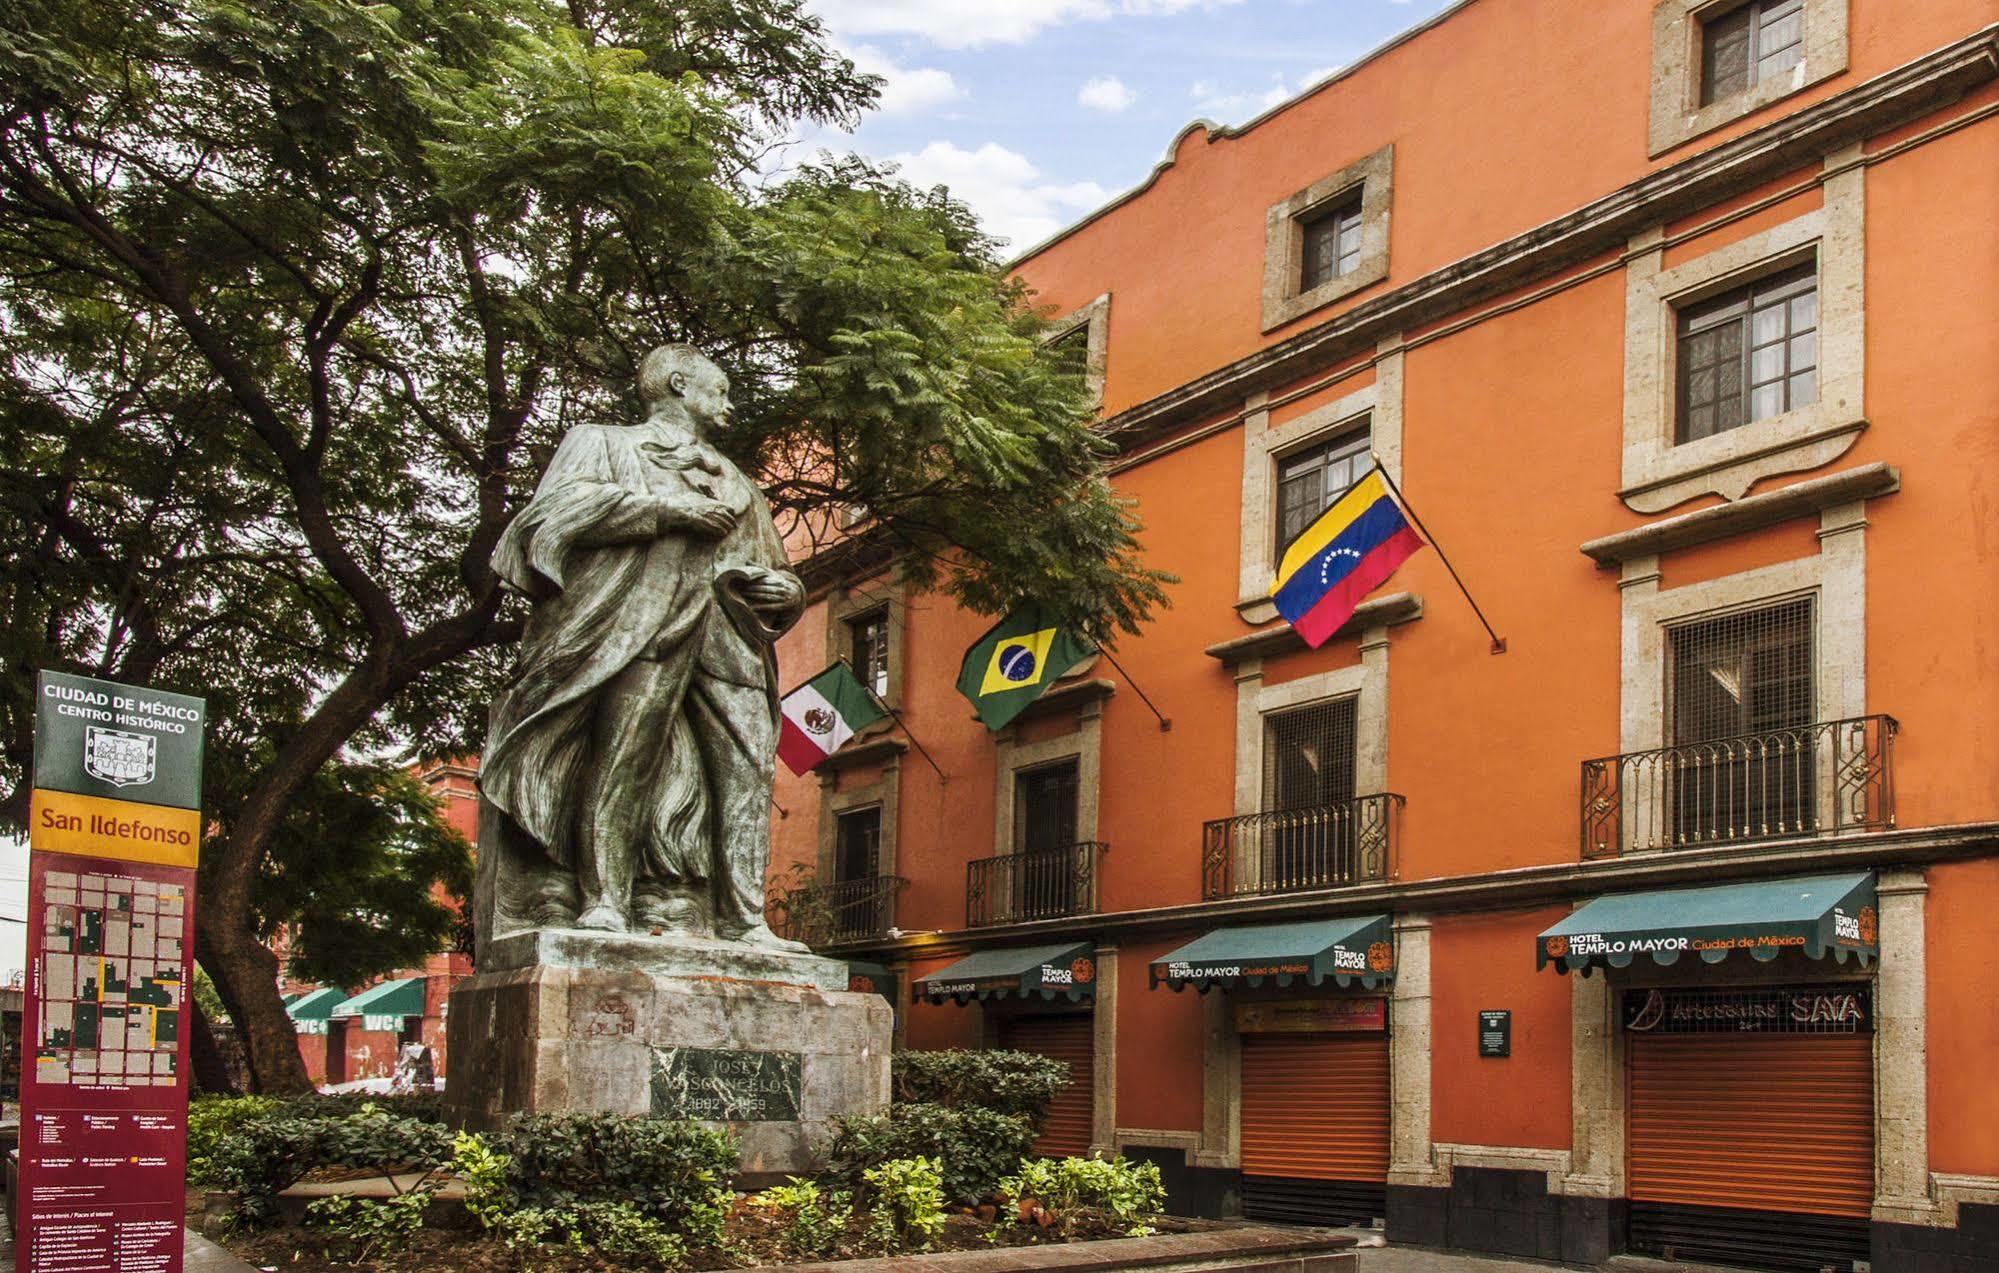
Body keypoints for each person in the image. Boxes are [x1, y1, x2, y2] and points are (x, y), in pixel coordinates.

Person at [478, 345, 805, 946]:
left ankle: (745, 919)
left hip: (727, 638)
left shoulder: (740, 484)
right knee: (627, 755)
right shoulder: (604, 443)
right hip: (640, 623)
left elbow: (773, 567)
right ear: (679, 383)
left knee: (749, 770)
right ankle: (605, 904)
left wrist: (782, 588)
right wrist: (663, 511)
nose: (730, 403)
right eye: (721, 388)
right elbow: (548, 518)